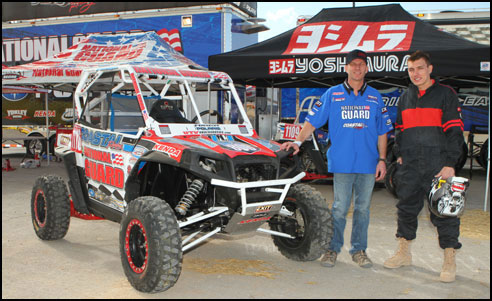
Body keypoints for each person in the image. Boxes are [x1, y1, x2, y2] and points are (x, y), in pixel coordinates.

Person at [281, 49, 393, 268]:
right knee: (340, 208)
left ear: (366, 68)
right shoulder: (332, 94)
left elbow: (382, 132)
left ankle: (359, 250)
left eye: (361, 64)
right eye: (353, 64)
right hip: (342, 162)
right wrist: (297, 142)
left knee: (363, 209)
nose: (357, 68)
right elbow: (312, 121)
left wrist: (382, 159)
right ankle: (332, 249)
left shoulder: (375, 97)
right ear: (346, 68)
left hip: (368, 163)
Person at [383, 50, 465, 283]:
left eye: (420, 68)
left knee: (445, 210)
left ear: (430, 69)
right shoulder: (405, 97)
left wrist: (450, 164)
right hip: (409, 165)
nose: (415, 73)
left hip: (438, 165)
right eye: (411, 69)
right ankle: (404, 252)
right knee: (406, 208)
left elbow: (455, 132)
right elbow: (400, 130)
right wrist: (398, 154)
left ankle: (449, 259)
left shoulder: (445, 94)